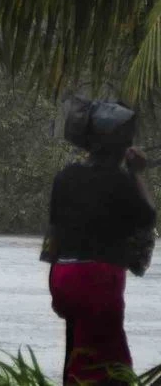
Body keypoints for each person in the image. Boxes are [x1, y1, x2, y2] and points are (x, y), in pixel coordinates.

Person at [41, 143, 156, 384]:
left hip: (63, 277)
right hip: (98, 281)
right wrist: (136, 173)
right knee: (107, 364)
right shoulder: (121, 182)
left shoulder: (66, 176)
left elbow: (53, 239)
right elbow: (147, 218)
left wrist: (55, 284)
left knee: (76, 350)